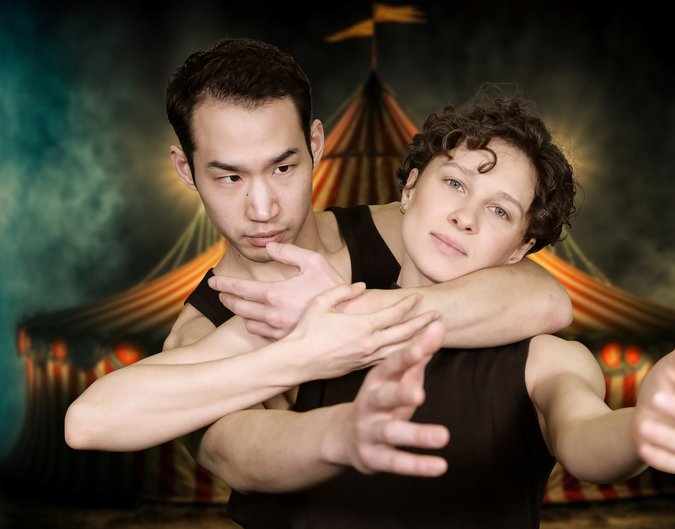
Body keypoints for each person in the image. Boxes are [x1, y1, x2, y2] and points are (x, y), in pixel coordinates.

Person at [209, 94, 675, 529]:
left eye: (499, 210)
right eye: (455, 183)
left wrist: (638, 430)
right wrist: (342, 434)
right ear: (410, 187)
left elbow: (585, 436)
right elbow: (233, 449)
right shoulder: (312, 320)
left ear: (520, 249)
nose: (465, 217)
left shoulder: (545, 359)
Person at [65, 37, 571, 451]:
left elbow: (544, 298)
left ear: (315, 144)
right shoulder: (203, 332)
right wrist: (308, 353)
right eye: (230, 178)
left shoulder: (399, 229)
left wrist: (349, 314)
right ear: (185, 169)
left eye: (283, 168)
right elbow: (233, 456)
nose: (262, 208)